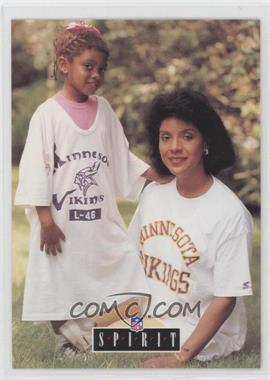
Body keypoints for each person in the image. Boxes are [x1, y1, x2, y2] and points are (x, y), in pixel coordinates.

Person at [14, 21, 167, 356]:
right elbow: (35, 168)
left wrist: (154, 175)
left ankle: (85, 335)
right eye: (88, 66)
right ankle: (67, 335)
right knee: (63, 280)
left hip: (100, 221)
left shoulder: (105, 111)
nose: (96, 74)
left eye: (101, 68)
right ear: (64, 65)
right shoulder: (47, 115)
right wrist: (45, 220)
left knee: (132, 277)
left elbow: (120, 157)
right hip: (61, 224)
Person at [128, 88, 253, 367]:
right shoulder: (153, 194)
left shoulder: (229, 214)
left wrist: (179, 357)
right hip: (153, 314)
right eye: (165, 137)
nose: (174, 147)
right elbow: (130, 257)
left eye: (187, 136)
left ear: (205, 142)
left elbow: (226, 298)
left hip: (199, 328)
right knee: (86, 321)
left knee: (100, 339)